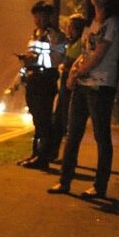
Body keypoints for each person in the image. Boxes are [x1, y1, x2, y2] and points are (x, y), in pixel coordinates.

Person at [48, 0, 119, 198]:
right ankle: (64, 182)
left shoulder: (111, 23)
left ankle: (99, 186)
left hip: (101, 86)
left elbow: (98, 56)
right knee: (72, 133)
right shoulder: (91, 23)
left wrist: (76, 74)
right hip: (84, 84)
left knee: (101, 137)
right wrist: (73, 73)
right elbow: (84, 54)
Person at [17, 1, 65, 170]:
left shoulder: (56, 36)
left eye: (42, 15)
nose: (38, 19)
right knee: (37, 119)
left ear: (50, 17)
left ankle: (43, 157)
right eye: (36, 16)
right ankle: (36, 154)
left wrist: (35, 59)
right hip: (33, 79)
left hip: (46, 79)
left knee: (43, 119)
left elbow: (57, 59)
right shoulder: (35, 34)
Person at [49, 13, 86, 162]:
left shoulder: (80, 43)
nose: (67, 28)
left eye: (70, 25)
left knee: (68, 121)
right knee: (58, 119)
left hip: (72, 85)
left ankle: (68, 157)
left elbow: (76, 62)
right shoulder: (71, 43)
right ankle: (54, 153)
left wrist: (66, 66)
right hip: (65, 84)